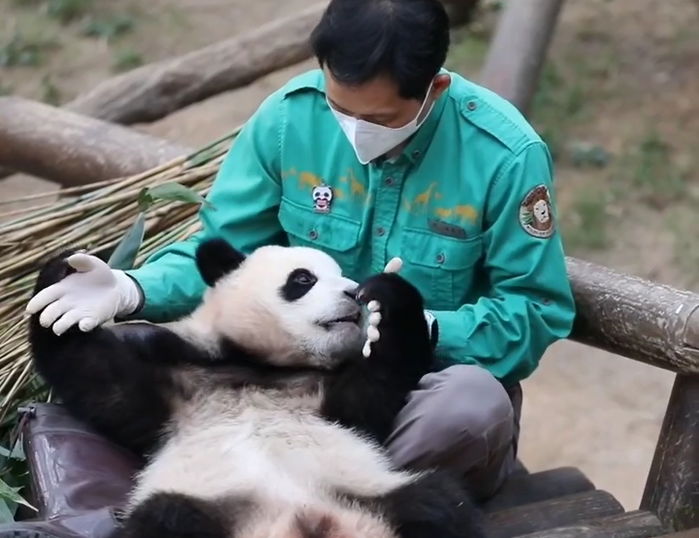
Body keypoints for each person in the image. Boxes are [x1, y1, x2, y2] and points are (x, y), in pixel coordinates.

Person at [26, 0, 575, 506]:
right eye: (339, 107)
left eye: (380, 119)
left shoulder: (505, 155)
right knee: (123, 356)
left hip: (413, 393)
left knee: (469, 407)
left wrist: (422, 329)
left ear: (435, 88)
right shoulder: (288, 119)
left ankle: (323, 498)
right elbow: (229, 262)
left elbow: (534, 309)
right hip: (280, 383)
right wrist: (132, 287)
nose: (355, 132)